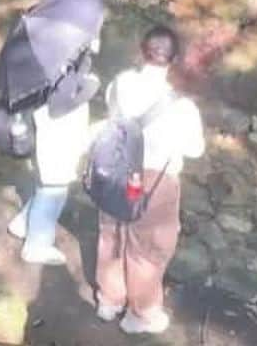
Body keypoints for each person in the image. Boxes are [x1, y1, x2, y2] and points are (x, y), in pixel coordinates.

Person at [94, 25, 205, 335]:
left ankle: (109, 300)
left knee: (111, 233)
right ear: (174, 59)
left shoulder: (118, 84)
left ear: (141, 50)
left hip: (115, 170)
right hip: (156, 180)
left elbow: (112, 118)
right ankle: (140, 314)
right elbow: (195, 150)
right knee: (148, 247)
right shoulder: (183, 107)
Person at [7, 42, 100, 265]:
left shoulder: (42, 76)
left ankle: (21, 224)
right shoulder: (72, 91)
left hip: (40, 147)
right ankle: (36, 247)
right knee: (52, 196)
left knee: (42, 187)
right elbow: (85, 91)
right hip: (58, 155)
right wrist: (88, 72)